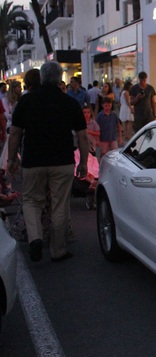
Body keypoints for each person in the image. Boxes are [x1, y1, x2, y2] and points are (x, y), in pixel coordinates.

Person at [6, 61, 89, 263]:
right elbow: (82, 136)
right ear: (60, 78)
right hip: (62, 161)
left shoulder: (26, 102)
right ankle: (57, 250)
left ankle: (35, 238)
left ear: (42, 78)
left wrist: (11, 159)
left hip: (33, 161)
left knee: (32, 201)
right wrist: (84, 162)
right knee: (59, 205)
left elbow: (15, 132)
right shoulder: (70, 103)